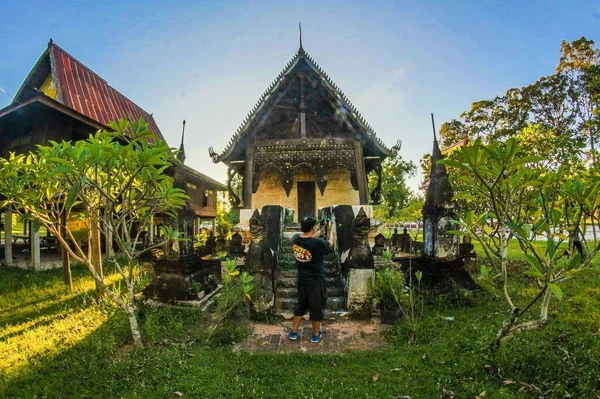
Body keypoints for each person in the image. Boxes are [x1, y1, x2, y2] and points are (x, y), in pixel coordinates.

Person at [288, 216, 336, 343]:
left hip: (302, 280)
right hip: (316, 281)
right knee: (316, 307)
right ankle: (315, 334)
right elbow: (330, 244)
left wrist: (318, 232)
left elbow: (308, 240)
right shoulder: (318, 244)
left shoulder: (296, 239)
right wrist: (332, 231)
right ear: (313, 227)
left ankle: (294, 332)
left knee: (300, 305)